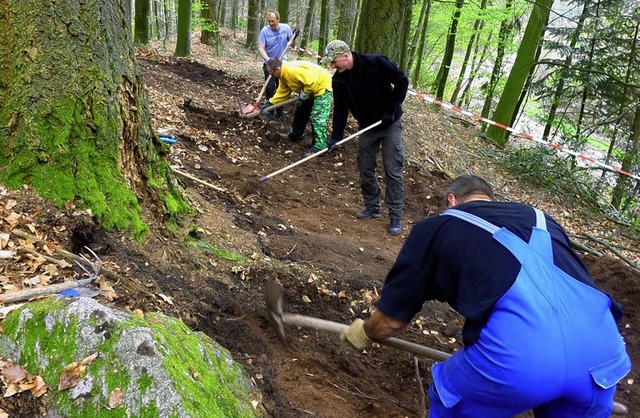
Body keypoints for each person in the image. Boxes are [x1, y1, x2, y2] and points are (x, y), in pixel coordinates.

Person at [340, 174, 631, 417]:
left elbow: (390, 322)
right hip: (603, 357)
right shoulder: (541, 219)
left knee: (450, 396)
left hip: (523, 360)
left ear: (451, 201)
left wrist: (366, 332)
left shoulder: (436, 228)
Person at [320, 40, 409, 235]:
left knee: (393, 168)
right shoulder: (339, 80)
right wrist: (335, 137)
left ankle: (395, 215)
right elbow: (341, 111)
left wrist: (392, 107)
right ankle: (372, 207)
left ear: (345, 55)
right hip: (367, 127)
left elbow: (402, 80)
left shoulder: (376, 63)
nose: (333, 66)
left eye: (334, 62)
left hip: (390, 123)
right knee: (365, 166)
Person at [260, 58, 332, 156]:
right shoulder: (283, 75)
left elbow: (312, 82)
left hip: (322, 86)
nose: (271, 75)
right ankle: (295, 135)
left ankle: (319, 147)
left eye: (271, 73)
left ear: (277, 69)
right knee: (299, 110)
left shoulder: (292, 71)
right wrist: (270, 103)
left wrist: (305, 93)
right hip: (309, 88)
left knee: (318, 117)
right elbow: (283, 92)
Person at [257, 10, 299, 121]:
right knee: (270, 88)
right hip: (269, 65)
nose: (271, 23)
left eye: (273, 21)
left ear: (278, 20)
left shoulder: (286, 28)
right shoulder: (264, 31)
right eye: (269, 21)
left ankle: (280, 112)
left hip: (282, 65)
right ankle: (269, 111)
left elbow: (293, 45)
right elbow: (261, 47)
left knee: (282, 88)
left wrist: (294, 37)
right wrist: (268, 60)